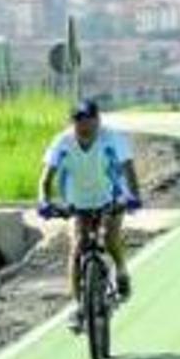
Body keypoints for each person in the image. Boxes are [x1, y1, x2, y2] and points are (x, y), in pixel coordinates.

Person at [37, 99, 143, 333]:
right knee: (77, 248)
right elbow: (46, 178)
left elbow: (128, 169)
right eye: (79, 123)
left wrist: (134, 196)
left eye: (89, 122)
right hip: (78, 200)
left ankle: (122, 272)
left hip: (111, 194)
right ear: (72, 124)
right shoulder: (62, 142)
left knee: (109, 237)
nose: (85, 128)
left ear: (98, 121)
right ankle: (79, 307)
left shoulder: (112, 138)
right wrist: (44, 201)